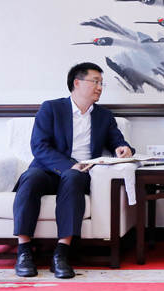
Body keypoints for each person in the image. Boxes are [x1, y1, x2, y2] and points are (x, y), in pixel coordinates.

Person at [12, 62, 133, 278]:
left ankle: (61, 253)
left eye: (101, 83)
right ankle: (24, 251)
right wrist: (68, 165)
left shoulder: (104, 116)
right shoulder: (51, 108)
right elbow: (39, 146)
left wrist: (123, 148)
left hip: (79, 175)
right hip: (48, 170)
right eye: (95, 81)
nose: (100, 87)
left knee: (74, 177)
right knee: (30, 177)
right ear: (77, 83)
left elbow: (118, 141)